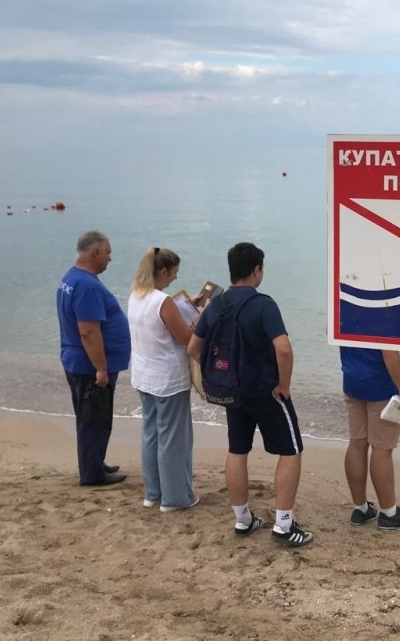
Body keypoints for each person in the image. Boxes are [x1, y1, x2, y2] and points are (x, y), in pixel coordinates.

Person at [187, 243, 313, 547]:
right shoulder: (263, 304)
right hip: (264, 390)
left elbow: (193, 348)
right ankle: (284, 525)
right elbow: (283, 349)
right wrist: (284, 385)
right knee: (291, 450)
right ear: (257, 270)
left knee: (238, 450)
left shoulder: (216, 304)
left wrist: (215, 376)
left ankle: (242, 519)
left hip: (232, 391)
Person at [56, 231, 131, 486]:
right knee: (94, 421)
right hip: (88, 366)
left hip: (76, 360)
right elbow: (88, 331)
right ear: (95, 253)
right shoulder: (87, 285)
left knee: (93, 418)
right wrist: (101, 368)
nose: (110, 258)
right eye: (108, 252)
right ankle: (92, 474)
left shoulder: (71, 278)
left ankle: (95, 462)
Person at [128, 247, 198, 512]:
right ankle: (175, 498)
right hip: (167, 379)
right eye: (174, 272)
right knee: (173, 439)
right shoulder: (163, 301)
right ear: (163, 271)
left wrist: (188, 305)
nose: (175, 277)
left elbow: (161, 324)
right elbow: (186, 338)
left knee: (151, 434)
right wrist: (201, 317)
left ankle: (153, 493)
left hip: (144, 376)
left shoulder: (136, 295)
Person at [340, 348, 400, 531]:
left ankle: (360, 509)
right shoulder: (382, 323)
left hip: (352, 382)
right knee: (382, 449)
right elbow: (389, 350)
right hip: (380, 386)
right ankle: (389, 514)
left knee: (357, 443)